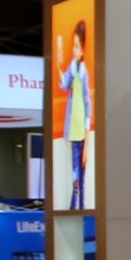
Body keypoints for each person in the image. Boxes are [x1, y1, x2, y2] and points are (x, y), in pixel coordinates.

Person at [57, 18, 91, 209]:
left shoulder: (84, 72)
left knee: (80, 178)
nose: (74, 50)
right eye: (73, 46)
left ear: (82, 49)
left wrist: (87, 137)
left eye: (77, 46)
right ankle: (75, 209)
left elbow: (88, 102)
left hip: (81, 132)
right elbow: (62, 84)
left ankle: (79, 209)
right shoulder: (72, 68)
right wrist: (57, 61)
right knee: (76, 177)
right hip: (73, 131)